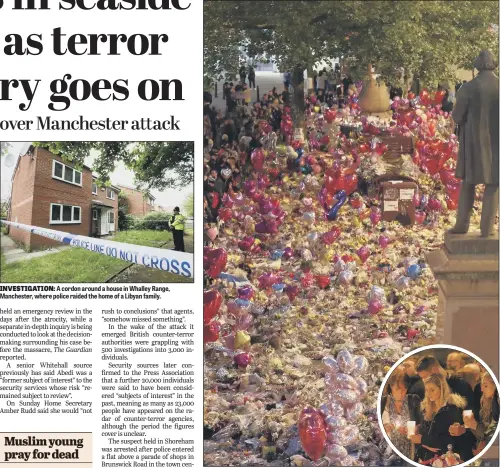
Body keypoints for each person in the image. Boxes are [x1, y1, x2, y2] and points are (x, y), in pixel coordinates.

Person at [450, 50, 499, 237]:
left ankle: (462, 225)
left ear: (477, 65)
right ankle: (487, 229)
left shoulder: (468, 88)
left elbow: (457, 116)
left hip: (472, 143)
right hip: (497, 144)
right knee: (493, 184)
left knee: (468, 183)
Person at [409, 374, 466, 463]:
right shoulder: (427, 407)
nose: (428, 394)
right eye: (427, 390)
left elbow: (448, 442)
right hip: (425, 458)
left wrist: (423, 440)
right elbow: (427, 432)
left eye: (432, 390)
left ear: (442, 388)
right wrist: (419, 429)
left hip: (442, 460)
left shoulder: (451, 410)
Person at [381, 369, 423, 460]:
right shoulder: (383, 402)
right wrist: (384, 428)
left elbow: (426, 422)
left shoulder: (413, 400)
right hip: (389, 452)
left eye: (404, 390)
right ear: (391, 386)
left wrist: (416, 428)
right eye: (397, 389)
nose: (401, 394)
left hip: (411, 451)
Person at [463, 372, 500, 456]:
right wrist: (471, 425)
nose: (482, 389)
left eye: (485, 386)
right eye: (482, 385)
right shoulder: (487, 403)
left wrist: (475, 426)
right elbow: (483, 435)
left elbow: (494, 434)